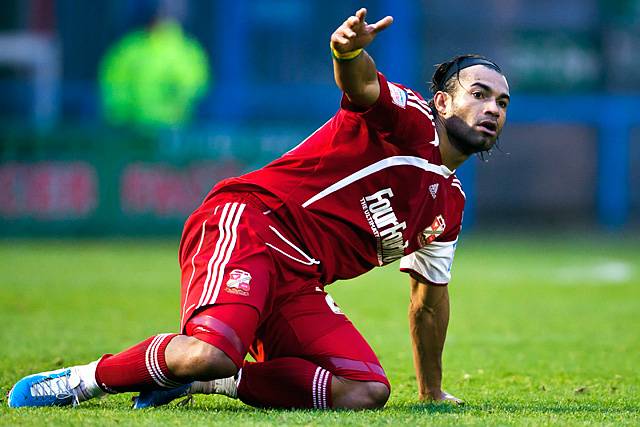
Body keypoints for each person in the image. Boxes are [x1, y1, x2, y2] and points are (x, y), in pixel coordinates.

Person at [8, 8, 509, 410]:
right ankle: (83, 380)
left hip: (299, 282)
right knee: (208, 352)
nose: (492, 109)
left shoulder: (449, 206)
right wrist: (347, 49)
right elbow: (362, 87)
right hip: (250, 225)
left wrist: (430, 391)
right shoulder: (411, 121)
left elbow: (428, 301)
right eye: (479, 94)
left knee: (365, 390)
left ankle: (209, 384)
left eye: (502, 103)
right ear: (443, 103)